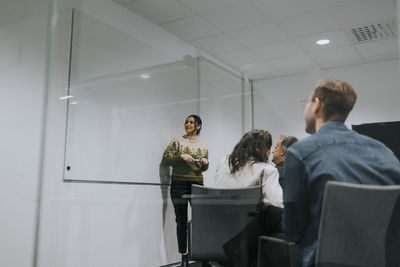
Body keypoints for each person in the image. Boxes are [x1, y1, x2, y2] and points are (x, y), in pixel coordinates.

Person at [283, 79, 400, 267]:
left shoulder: (300, 153)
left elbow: (292, 231)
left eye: (307, 103)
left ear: (317, 105)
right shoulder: (386, 154)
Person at [214, 130, 283, 267]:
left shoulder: (223, 163)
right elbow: (277, 205)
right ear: (265, 150)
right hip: (243, 242)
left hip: (215, 235)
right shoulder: (267, 170)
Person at [162, 115, 209, 267]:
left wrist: (205, 163)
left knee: (201, 220)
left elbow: (204, 167)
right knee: (181, 221)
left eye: (191, 122)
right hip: (179, 183)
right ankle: (184, 257)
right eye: (186, 122)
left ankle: (203, 255)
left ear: (198, 126)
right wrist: (180, 156)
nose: (187, 124)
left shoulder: (203, 143)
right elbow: (165, 160)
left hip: (197, 183)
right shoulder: (177, 140)